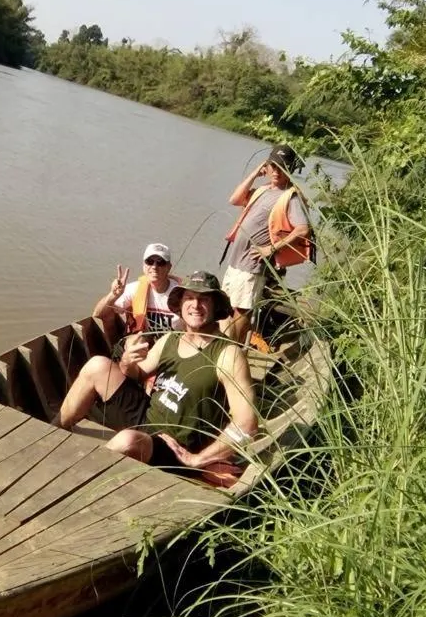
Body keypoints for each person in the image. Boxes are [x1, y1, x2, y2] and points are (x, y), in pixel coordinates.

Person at [55, 271, 258, 485]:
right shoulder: (170, 339)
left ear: (216, 306)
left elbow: (247, 424)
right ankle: (53, 430)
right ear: (179, 304)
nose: (195, 305)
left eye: (204, 299)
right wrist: (127, 362)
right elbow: (138, 373)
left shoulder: (228, 354)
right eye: (189, 298)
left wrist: (198, 459)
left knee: (127, 441)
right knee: (98, 365)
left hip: (177, 447)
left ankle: (85, 482)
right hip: (147, 417)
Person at [219, 144, 312, 345]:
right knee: (226, 308)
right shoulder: (263, 190)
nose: (277, 172)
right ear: (267, 166)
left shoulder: (291, 196)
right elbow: (235, 199)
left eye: (282, 168)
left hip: (252, 266)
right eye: (273, 166)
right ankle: (224, 349)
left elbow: (303, 229)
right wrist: (256, 171)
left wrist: (270, 249)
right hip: (236, 262)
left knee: (242, 311)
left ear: (290, 170)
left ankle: (231, 351)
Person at [92, 243, 183, 338]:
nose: (154, 267)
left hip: (173, 345)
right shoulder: (135, 289)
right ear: (144, 265)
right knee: (136, 341)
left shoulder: (181, 293)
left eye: (161, 262)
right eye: (150, 261)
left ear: (169, 267)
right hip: (144, 343)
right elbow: (98, 314)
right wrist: (113, 295)